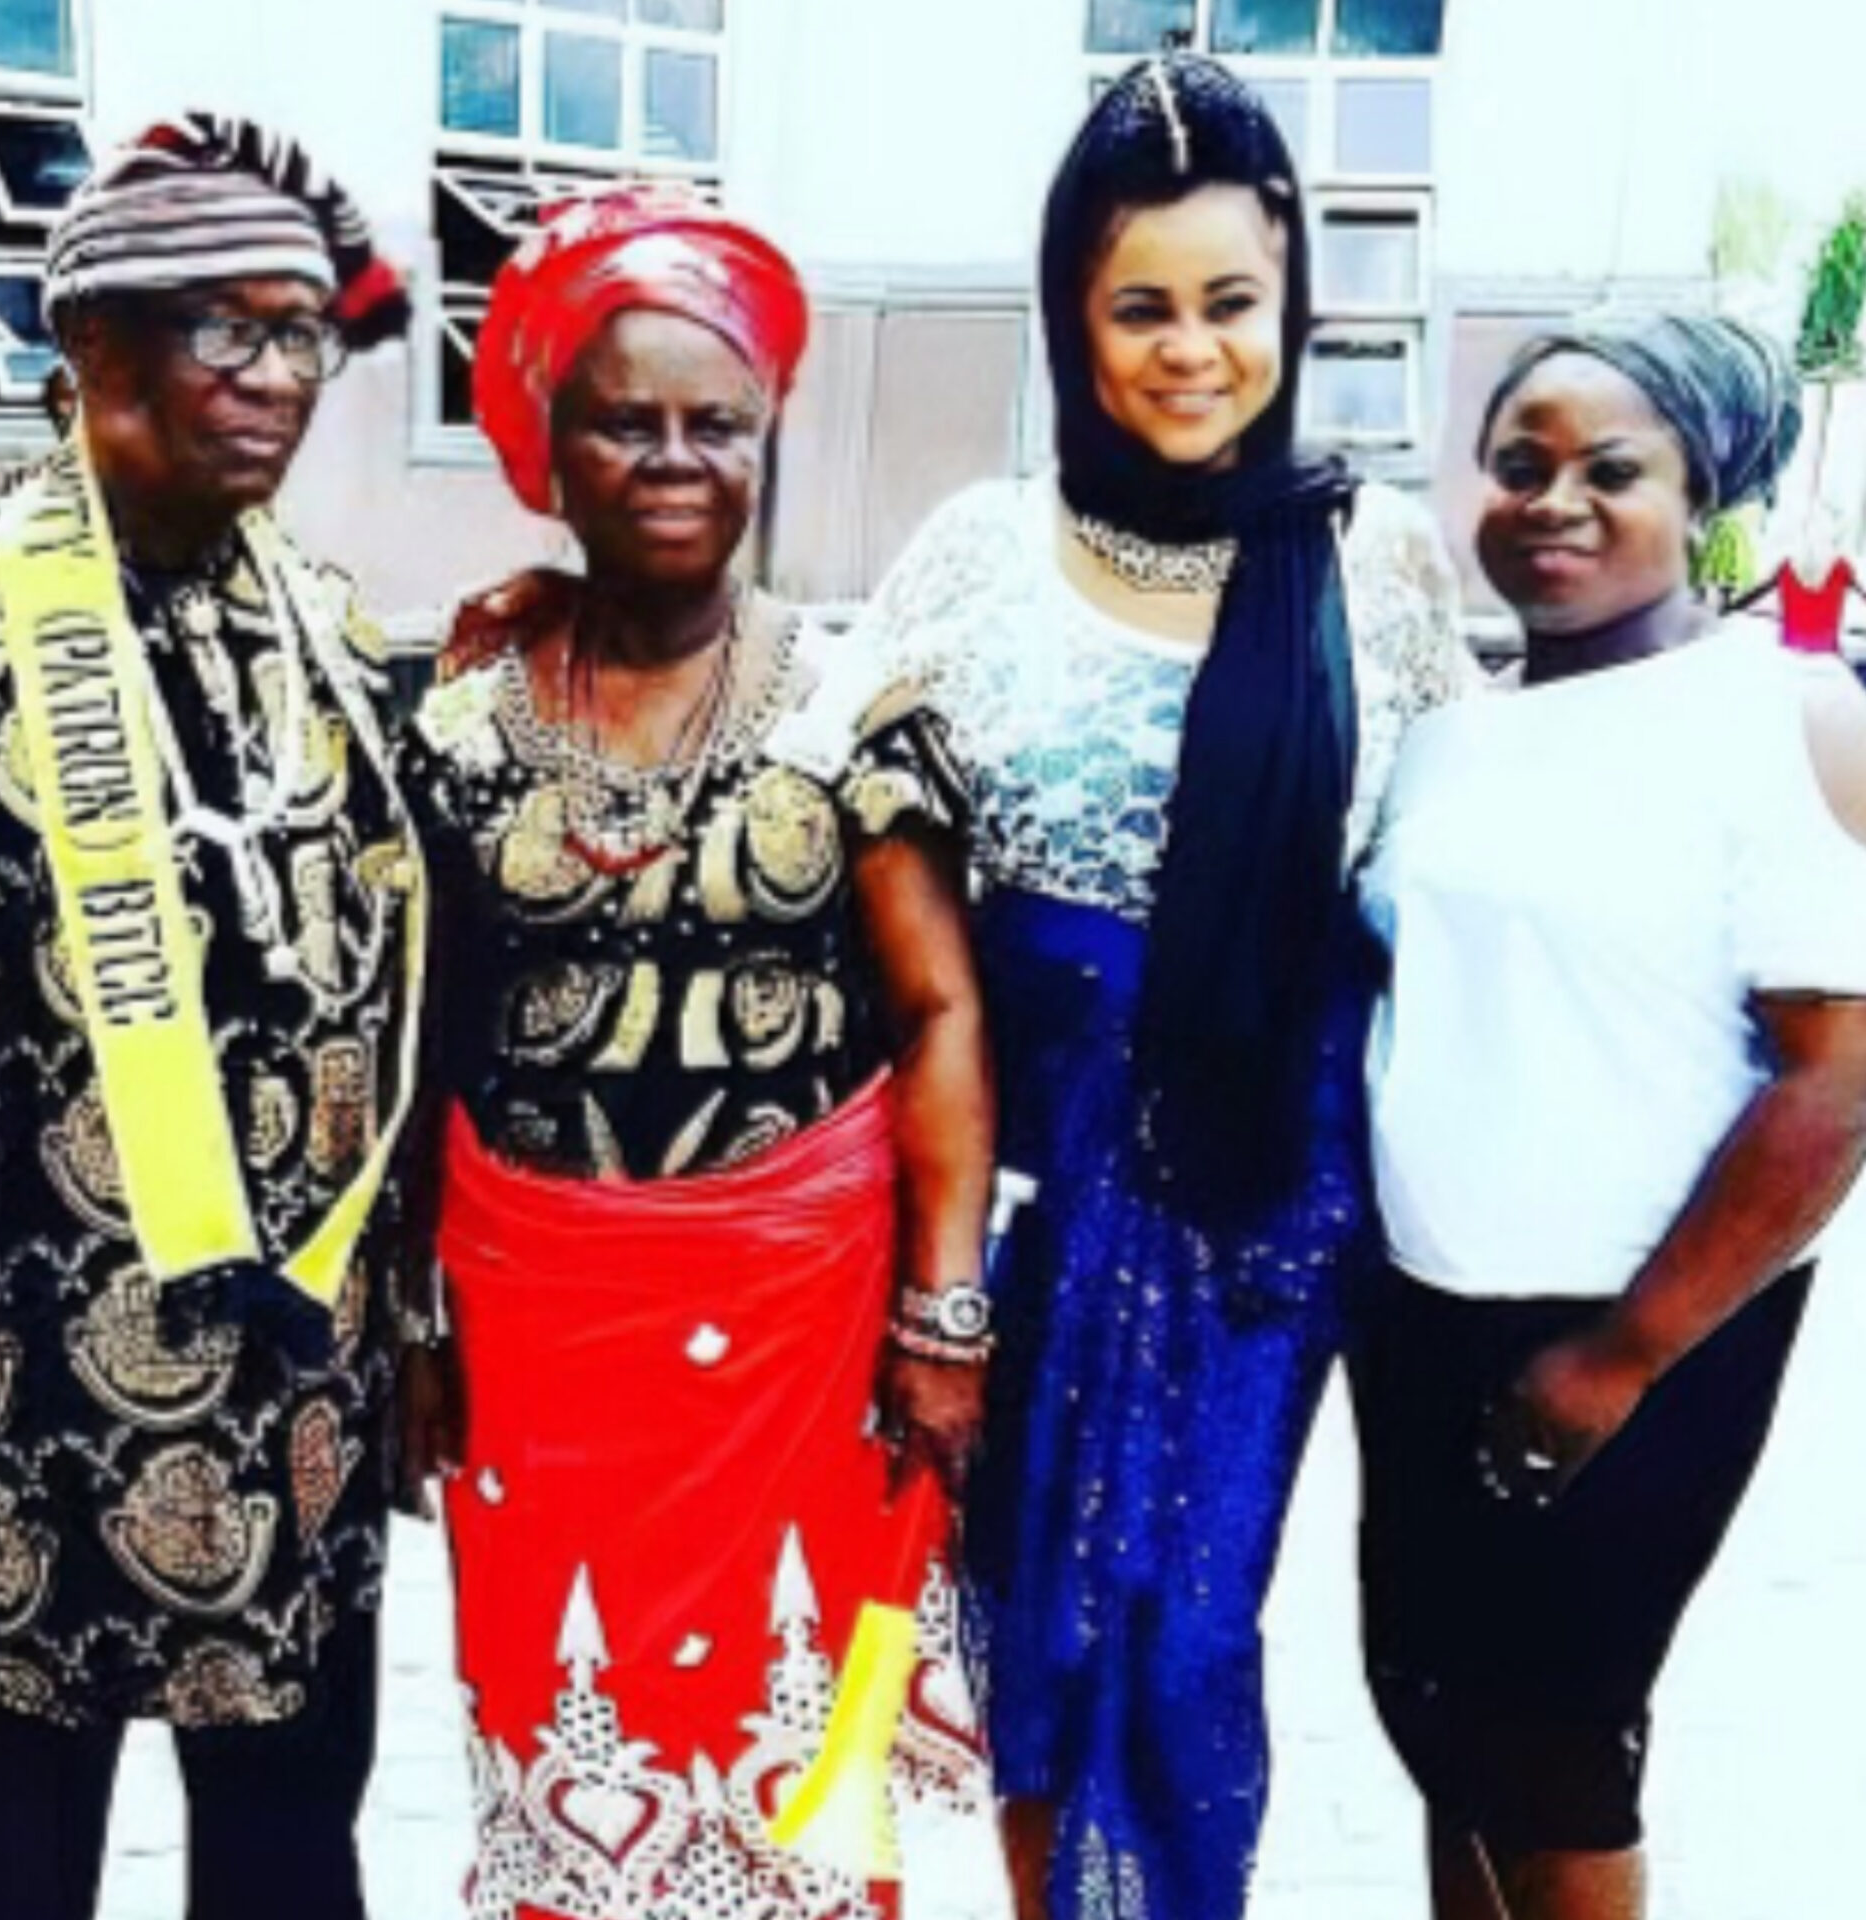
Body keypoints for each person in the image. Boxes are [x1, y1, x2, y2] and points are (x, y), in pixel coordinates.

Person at [857, 54, 1474, 1920]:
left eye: (1233, 303)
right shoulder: (979, 558)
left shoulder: (1374, 564)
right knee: (1030, 1642)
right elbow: (839, 843)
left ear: (1293, 307)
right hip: (1027, 1190)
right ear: (1073, 314)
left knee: (1190, 1642)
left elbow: (1450, 884)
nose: (1190, 350)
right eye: (1142, 307)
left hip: (1262, 1211)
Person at [0, 111, 417, 1920]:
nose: (277, 377)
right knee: (23, 1854)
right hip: (41, 1396)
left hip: (299, 1382)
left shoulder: (324, 619)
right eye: (224, 329)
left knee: (292, 1842)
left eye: (303, 333)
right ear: (91, 343)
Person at [398, 188, 992, 1920]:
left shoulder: (849, 691)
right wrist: (416, 1321)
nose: (676, 457)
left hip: (805, 1333)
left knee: (808, 1740)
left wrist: (944, 1315)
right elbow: (432, 1030)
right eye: (626, 421)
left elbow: (942, 1009)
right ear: (549, 450)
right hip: (538, 1319)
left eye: (716, 424)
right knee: (556, 1702)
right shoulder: (464, 717)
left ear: (765, 447)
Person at [1354, 313, 1866, 1920]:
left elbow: (1837, 1074)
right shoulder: (1448, 734)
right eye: (1519, 466)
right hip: (1421, 1311)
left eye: (1608, 470)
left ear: (1697, 490)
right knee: (1437, 1715)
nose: (1552, 502)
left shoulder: (1781, 715)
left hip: (1643, 1331)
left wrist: (1624, 1355)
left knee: (1559, 1742)